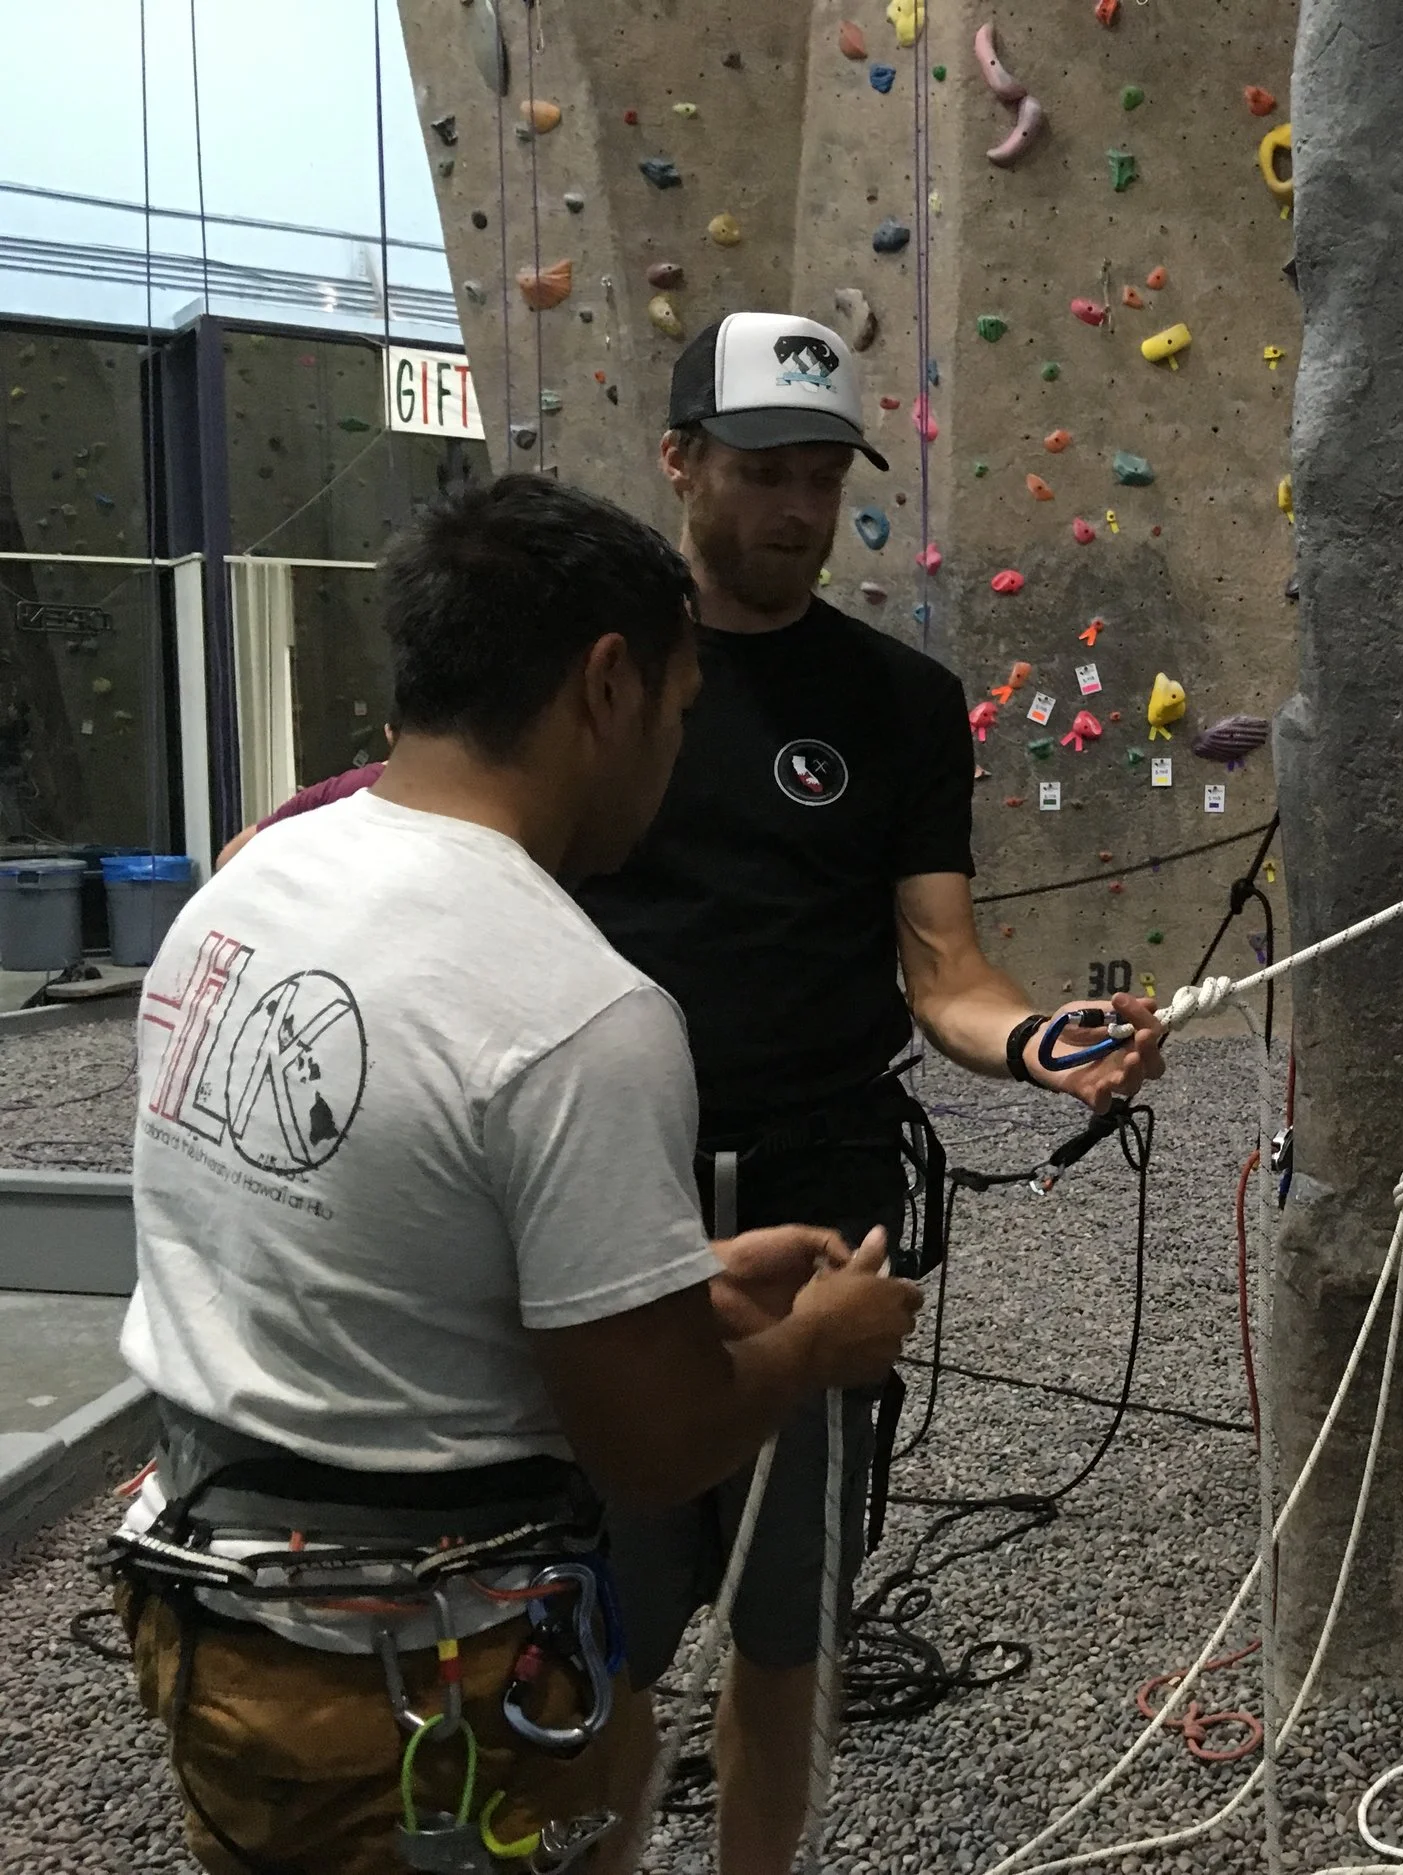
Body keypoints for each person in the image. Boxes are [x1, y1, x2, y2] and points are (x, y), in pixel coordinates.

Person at [111, 473, 923, 1875]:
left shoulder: (248, 890)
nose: (673, 756)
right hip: (414, 1685)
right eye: (676, 714)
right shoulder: (577, 1009)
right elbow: (656, 1444)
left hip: (212, 1629)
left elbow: (354, 1233)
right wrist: (814, 1343)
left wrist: (675, 1276)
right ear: (608, 684)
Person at [574, 310, 1166, 1875]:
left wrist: (1042, 1040)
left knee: (785, 1624)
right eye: (763, 468)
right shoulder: (602, 675)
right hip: (605, 1196)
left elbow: (946, 968)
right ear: (680, 458)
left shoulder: (898, 702)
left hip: (824, 1200)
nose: (796, 509)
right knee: (603, 1629)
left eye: (825, 475)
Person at [212, 730, 391, 869]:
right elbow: (229, 857)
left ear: (388, 732)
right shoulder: (348, 789)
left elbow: (228, 858)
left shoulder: (344, 788)